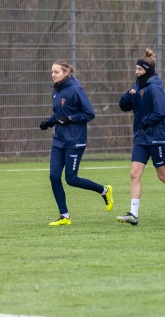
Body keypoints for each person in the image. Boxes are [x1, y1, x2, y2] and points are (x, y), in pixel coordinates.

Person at [117, 48, 165, 226]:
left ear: (147, 70)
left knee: (163, 176)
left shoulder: (155, 87)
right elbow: (124, 106)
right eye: (136, 69)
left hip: (156, 136)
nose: (136, 72)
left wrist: (144, 121)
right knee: (134, 174)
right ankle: (133, 214)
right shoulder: (137, 86)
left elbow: (160, 112)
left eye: (139, 69)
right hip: (141, 138)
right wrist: (128, 95)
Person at [40, 60, 114, 226]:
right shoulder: (56, 90)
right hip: (59, 140)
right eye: (52, 72)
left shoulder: (75, 89)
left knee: (71, 179)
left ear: (66, 73)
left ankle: (104, 190)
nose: (53, 74)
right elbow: (60, 114)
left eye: (56, 72)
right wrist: (48, 122)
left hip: (75, 141)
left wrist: (71, 119)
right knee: (53, 176)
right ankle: (65, 216)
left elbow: (89, 114)